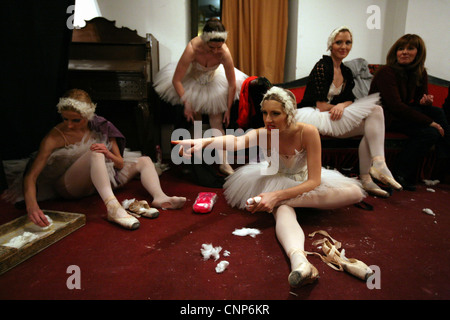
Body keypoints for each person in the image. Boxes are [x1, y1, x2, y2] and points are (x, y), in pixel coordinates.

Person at [173, 86, 370, 287]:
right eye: (265, 113)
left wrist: (276, 196)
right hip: (274, 178)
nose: (268, 119)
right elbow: (235, 141)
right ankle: (299, 262)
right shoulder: (263, 132)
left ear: (290, 113)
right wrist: (204, 141)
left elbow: (314, 181)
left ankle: (276, 201)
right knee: (283, 210)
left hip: (303, 183)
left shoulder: (308, 132)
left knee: (355, 192)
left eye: (275, 113)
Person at [3, 89, 186, 230]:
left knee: (145, 160)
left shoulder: (101, 126)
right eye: (65, 119)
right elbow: (31, 176)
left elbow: (119, 164)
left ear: (88, 115)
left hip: (101, 177)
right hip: (70, 186)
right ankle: (113, 208)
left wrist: (108, 154)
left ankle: (160, 197)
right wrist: (32, 206)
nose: (69, 125)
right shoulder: (55, 136)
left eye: (76, 120)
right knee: (94, 152)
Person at [295, 26, 402, 198]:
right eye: (339, 42)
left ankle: (370, 174)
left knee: (373, 121)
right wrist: (337, 107)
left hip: (333, 116)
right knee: (374, 112)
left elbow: (350, 99)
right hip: (314, 116)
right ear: (331, 45)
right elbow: (321, 105)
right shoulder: (322, 66)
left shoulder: (346, 71)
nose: (344, 46)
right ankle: (375, 168)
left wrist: (342, 106)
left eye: (348, 42)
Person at [153, 18, 248, 176]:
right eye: (212, 47)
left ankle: (224, 163)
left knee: (216, 122)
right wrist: (187, 103)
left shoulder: (224, 52)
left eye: (219, 47)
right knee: (196, 121)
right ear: (204, 41)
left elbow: (232, 84)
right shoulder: (192, 48)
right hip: (193, 81)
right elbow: (176, 80)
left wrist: (228, 108)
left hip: (214, 82)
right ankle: (196, 164)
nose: (216, 51)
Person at [369, 34, 450, 190]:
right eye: (401, 49)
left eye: (410, 48)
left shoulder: (420, 72)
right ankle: (403, 173)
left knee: (434, 124)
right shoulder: (386, 72)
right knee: (433, 123)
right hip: (383, 116)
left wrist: (425, 102)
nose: (404, 52)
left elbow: (420, 100)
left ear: (418, 53)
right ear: (395, 52)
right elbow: (396, 106)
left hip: (401, 115)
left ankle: (400, 173)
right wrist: (430, 122)